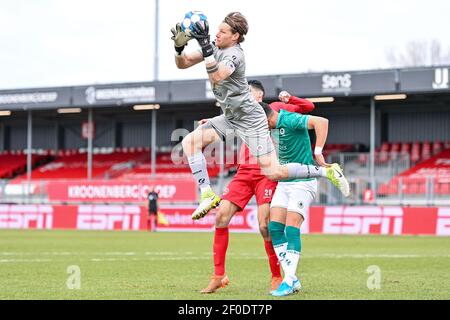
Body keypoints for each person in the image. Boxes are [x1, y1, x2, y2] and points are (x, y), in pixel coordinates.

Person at [171, 12, 350, 221]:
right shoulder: (214, 46)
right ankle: (207, 194)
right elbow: (182, 63)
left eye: (222, 31)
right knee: (190, 142)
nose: (217, 34)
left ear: (235, 36)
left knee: (274, 172)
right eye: (217, 30)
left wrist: (205, 46)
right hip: (230, 116)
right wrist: (178, 48)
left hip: (250, 118)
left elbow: (217, 77)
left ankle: (326, 172)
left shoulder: (235, 55)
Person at [199, 80, 316, 294]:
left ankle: (276, 276)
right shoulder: (239, 113)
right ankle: (218, 276)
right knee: (221, 216)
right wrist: (211, 123)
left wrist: (291, 99)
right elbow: (225, 122)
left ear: (259, 96)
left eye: (246, 94)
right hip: (244, 172)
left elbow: (309, 108)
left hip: (267, 172)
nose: (241, 98)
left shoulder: (276, 109)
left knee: (265, 225)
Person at [258, 102, 329, 297]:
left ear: (266, 118)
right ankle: (292, 277)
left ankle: (288, 281)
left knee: (291, 229)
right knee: (274, 229)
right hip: (284, 182)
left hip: (303, 182)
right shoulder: (271, 128)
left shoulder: (288, 119)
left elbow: (321, 122)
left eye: (259, 122)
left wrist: (318, 151)